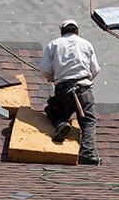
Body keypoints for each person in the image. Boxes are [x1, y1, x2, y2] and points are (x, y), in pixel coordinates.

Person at [39, 19, 102, 165]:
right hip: (83, 88)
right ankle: (87, 153)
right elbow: (95, 69)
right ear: (77, 31)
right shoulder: (86, 44)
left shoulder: (54, 44)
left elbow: (44, 70)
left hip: (63, 89)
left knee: (53, 111)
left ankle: (61, 123)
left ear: (62, 32)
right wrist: (85, 79)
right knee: (88, 121)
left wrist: (54, 77)